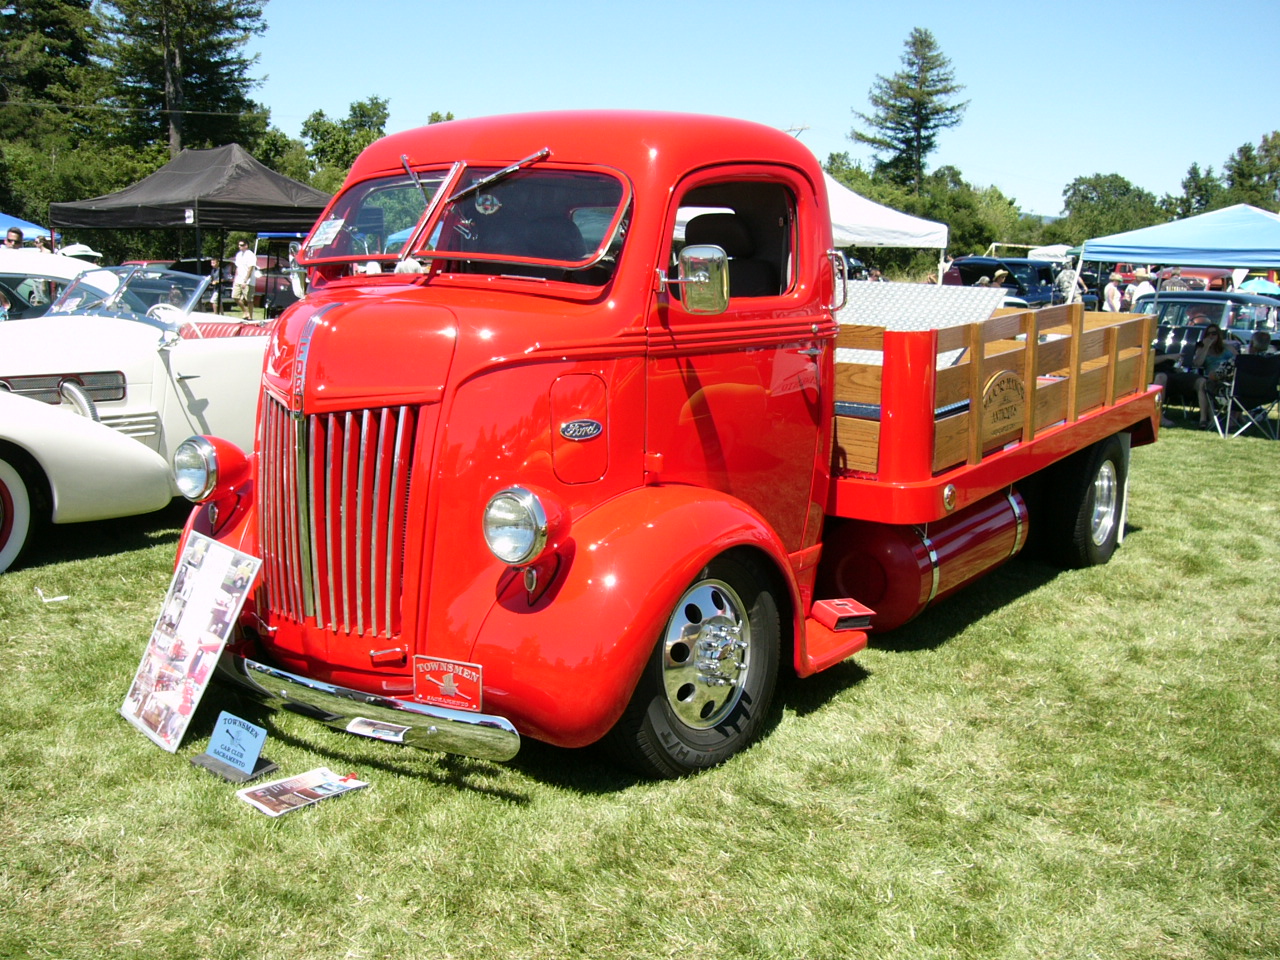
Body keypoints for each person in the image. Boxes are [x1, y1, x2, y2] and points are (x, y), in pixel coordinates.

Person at [1154, 323, 1236, 429]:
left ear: (1219, 335)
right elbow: (1197, 364)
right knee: (1205, 383)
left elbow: (1239, 360)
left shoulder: (1228, 348)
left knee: (1235, 384)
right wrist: (1206, 346)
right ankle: (1205, 420)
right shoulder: (1202, 349)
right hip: (1214, 376)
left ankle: (1233, 417)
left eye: (1214, 333)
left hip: (1231, 374)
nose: (1211, 336)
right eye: (1208, 334)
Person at [232, 240, 257, 320]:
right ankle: (245, 312)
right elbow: (237, 267)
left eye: (242, 245)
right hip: (238, 279)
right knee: (235, 296)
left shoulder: (251, 255)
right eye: (239, 245)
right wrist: (235, 279)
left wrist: (245, 281)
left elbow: (250, 268)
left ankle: (250, 317)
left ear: (246, 245)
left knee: (249, 300)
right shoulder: (238, 255)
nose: (240, 247)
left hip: (248, 281)